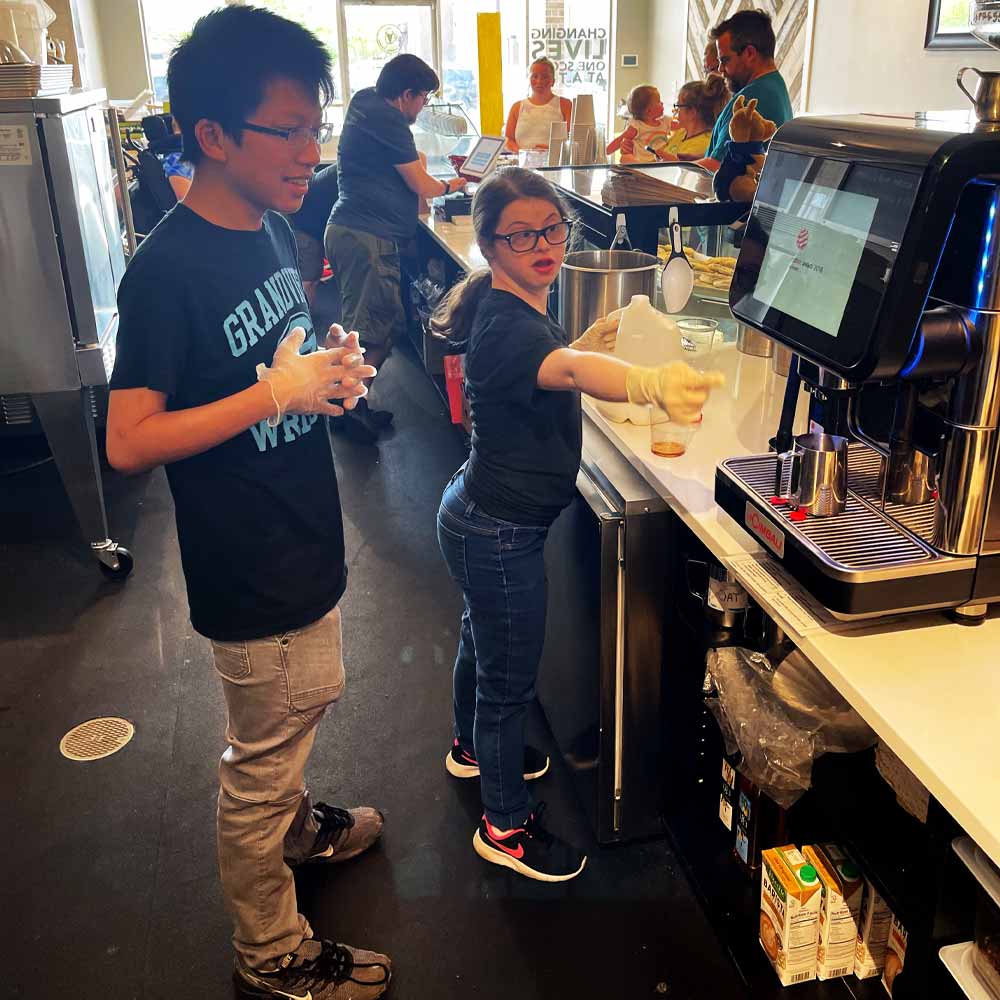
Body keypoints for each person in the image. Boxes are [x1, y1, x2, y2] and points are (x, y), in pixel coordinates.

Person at [105, 8, 392, 999]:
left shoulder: (270, 222)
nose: (312, 150)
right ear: (214, 136)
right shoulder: (164, 271)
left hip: (302, 531)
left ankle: (298, 825)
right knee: (258, 757)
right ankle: (268, 947)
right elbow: (128, 439)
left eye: (318, 125)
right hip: (246, 562)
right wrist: (274, 394)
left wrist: (326, 365)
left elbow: (283, 337)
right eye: (290, 131)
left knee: (304, 707)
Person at [432, 167, 724, 882]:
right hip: (499, 533)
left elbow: (560, 357)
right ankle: (504, 826)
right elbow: (564, 370)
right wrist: (648, 381)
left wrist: (589, 338)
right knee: (508, 683)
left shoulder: (519, 304)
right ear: (491, 243)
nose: (543, 245)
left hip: (476, 516)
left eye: (553, 229)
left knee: (481, 636)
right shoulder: (506, 326)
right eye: (522, 235)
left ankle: (471, 749)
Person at [327, 53, 467, 444]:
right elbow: (421, 184)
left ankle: (352, 404)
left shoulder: (365, 104)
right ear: (407, 94)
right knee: (371, 332)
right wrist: (454, 185)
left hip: (351, 232)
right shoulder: (389, 120)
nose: (423, 107)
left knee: (367, 327)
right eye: (423, 98)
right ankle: (348, 410)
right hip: (366, 238)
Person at [697, 9, 793, 173]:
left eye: (725, 60)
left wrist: (668, 170)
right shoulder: (775, 85)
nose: (720, 69)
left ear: (749, 53)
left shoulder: (753, 96)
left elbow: (717, 167)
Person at [287, 163, 338, 306]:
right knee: (309, 279)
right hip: (302, 221)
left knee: (312, 277)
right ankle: (303, 321)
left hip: (312, 216)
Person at [649, 77, 729, 161]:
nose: (675, 110)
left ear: (692, 112)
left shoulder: (703, 144)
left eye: (678, 106)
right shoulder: (681, 133)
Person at [504, 57, 572, 153]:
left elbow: (573, 140)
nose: (539, 81)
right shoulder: (517, 107)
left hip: (553, 165)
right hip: (522, 165)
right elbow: (508, 140)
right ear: (529, 79)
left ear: (553, 81)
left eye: (545, 77)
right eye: (535, 76)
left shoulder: (565, 105)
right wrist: (522, 153)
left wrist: (552, 151)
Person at [606, 84, 670, 163]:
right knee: (625, 159)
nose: (662, 103)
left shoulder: (665, 121)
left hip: (660, 162)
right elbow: (620, 139)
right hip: (642, 162)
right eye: (659, 102)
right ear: (649, 111)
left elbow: (680, 125)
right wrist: (606, 151)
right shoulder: (637, 126)